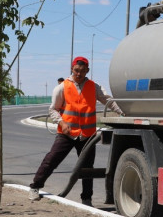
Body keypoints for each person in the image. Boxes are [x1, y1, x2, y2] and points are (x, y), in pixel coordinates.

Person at [29, 56, 123, 206]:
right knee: (51, 159)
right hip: (67, 133)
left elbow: (108, 101)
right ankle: (35, 187)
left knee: (87, 169)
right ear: (72, 69)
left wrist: (123, 112)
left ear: (87, 71)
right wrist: (62, 122)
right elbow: (53, 109)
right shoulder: (62, 87)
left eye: (82, 71)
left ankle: (87, 199)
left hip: (87, 135)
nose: (79, 74)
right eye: (76, 70)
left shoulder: (94, 87)